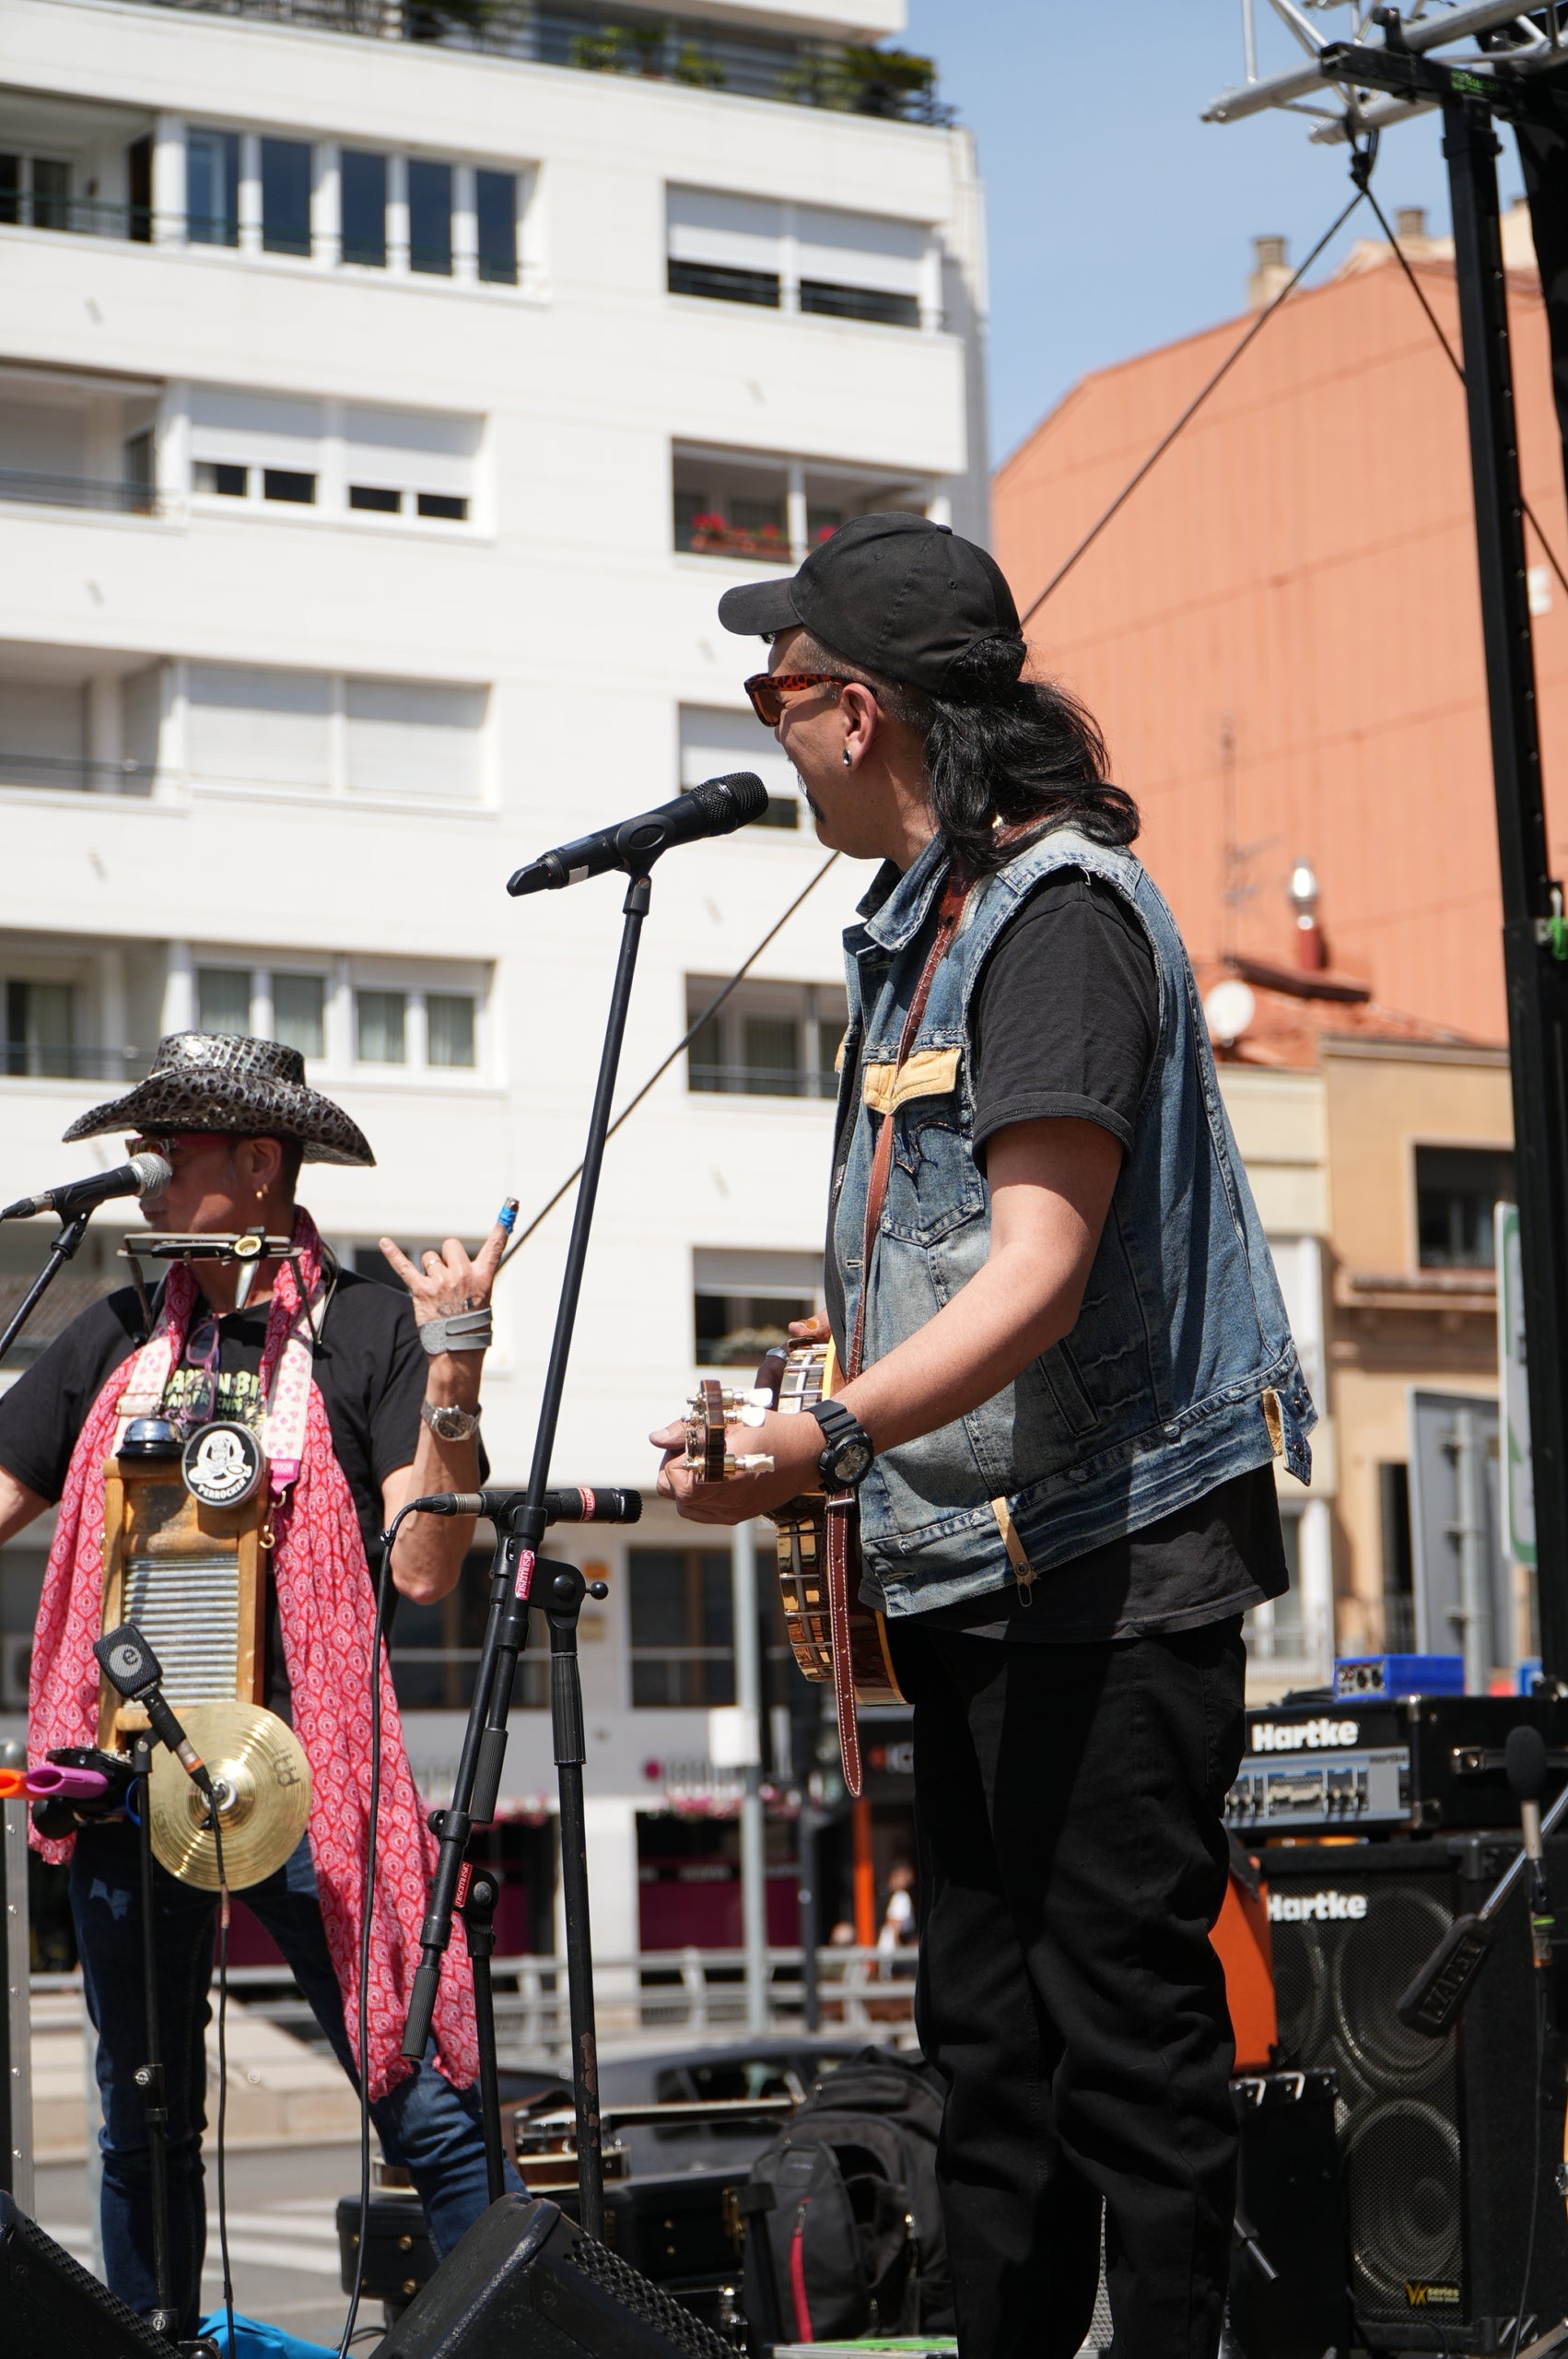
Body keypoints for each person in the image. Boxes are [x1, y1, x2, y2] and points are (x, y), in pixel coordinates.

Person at [652, 513, 1316, 2359]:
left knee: (1123, 2043)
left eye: (773, 691)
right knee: (988, 2058)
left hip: (1108, 1566)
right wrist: (846, 1351)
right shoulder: (929, 922)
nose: (763, 724)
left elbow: (1037, 1266)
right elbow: (983, 1256)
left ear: (854, 710)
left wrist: (826, 1430)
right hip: (984, 1569)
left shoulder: (1057, 918)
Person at [0, 1030, 521, 2330]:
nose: (149, 1179)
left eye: (169, 1151)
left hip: (301, 1772)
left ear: (255, 1158)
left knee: (421, 2107)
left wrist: (452, 1372)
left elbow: (422, 1569)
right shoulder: (115, 1335)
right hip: (128, 1774)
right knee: (143, 2114)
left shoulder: (364, 1334)